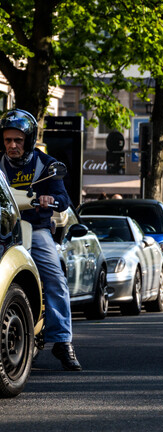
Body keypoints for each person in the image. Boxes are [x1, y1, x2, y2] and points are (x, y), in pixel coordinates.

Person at [0, 108, 81, 371]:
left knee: (55, 278)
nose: (12, 145)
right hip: (2, 229)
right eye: (8, 140)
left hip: (35, 229)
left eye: (18, 140)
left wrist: (50, 199)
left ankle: (61, 340)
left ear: (29, 140)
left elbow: (63, 199)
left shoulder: (46, 165)